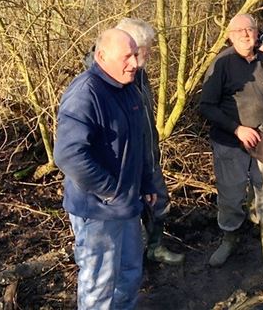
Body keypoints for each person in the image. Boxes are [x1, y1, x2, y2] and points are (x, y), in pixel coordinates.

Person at [54, 29, 157, 309]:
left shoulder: (128, 89)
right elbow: (68, 154)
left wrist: (146, 183)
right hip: (98, 210)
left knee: (130, 273)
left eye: (136, 55)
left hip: (127, 204)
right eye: (127, 56)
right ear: (101, 56)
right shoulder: (85, 93)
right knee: (99, 285)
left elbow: (138, 143)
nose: (135, 63)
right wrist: (111, 191)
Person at [199, 14, 263, 270]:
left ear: (257, 31)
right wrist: (237, 129)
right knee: (231, 193)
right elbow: (206, 106)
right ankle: (229, 238)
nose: (246, 34)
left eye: (250, 29)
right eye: (239, 31)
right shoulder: (221, 64)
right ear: (230, 35)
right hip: (229, 142)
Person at [115, 18, 185, 265]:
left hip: (149, 157)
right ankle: (134, 261)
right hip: (127, 164)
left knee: (159, 203)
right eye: (148, 47)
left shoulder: (142, 77)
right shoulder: (116, 81)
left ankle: (155, 248)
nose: (151, 52)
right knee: (131, 215)